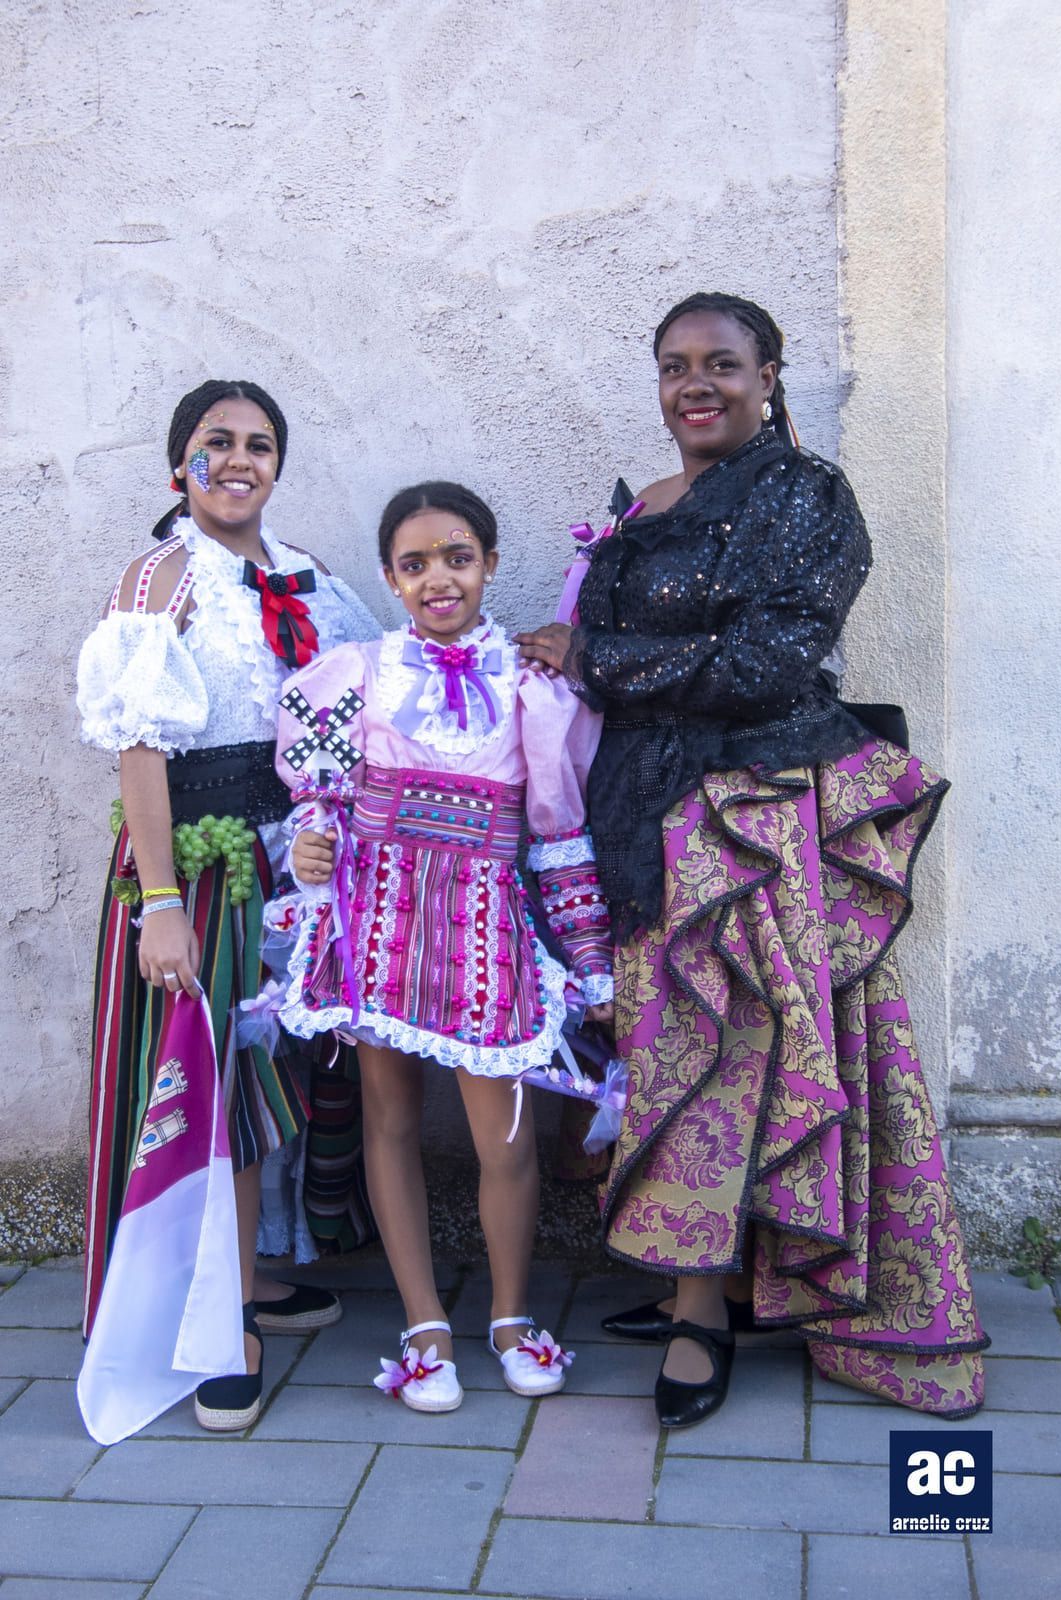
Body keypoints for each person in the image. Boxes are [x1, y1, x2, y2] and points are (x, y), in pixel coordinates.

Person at [516, 292, 987, 1428]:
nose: (697, 385)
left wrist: (596, 656)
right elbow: (670, 657)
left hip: (750, 814)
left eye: (723, 364)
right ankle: (723, 1276)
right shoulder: (650, 506)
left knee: (717, 1053)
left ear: (769, 375)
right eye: (676, 365)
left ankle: (696, 1316)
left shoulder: (805, 495)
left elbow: (770, 662)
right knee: (670, 1045)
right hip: (646, 813)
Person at [270, 481, 614, 1412]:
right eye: (414, 563)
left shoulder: (533, 685)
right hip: (378, 923)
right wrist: (312, 844)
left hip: (481, 927)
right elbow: (324, 800)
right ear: (389, 576)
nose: (437, 579)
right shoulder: (357, 674)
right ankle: (423, 1318)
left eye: (457, 557)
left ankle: (507, 1314)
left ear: (490, 565)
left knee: (501, 1135)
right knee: (387, 1118)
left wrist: (589, 959)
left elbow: (558, 832)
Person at [76, 379, 379, 1430]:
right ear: (181, 465)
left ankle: (250, 1275)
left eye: (259, 443)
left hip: (287, 858)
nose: (239, 459)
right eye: (217, 443)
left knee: (278, 1075)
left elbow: (369, 695)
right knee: (214, 1089)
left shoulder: (309, 577)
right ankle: (210, 1323)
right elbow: (141, 748)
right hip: (197, 865)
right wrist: (163, 899)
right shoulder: (161, 577)